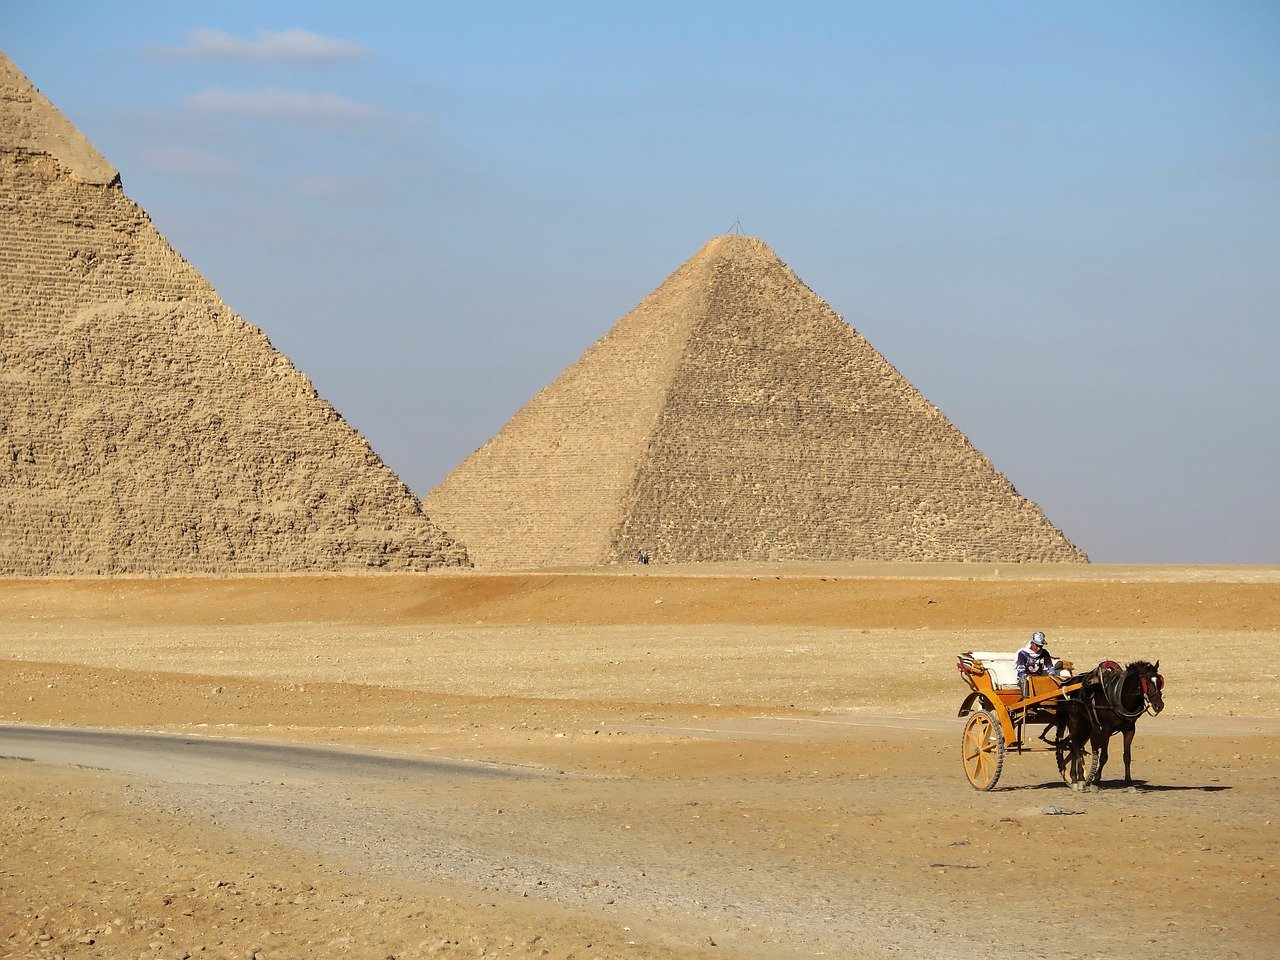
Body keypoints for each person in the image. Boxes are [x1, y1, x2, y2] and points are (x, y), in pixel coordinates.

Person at [1016, 630, 1055, 697]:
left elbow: (1050, 667)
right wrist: (1028, 678)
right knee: (1023, 681)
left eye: (1041, 646)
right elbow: (1020, 671)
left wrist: (1052, 674)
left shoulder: (1044, 653)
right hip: (1026, 679)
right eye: (1037, 645)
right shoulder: (1023, 653)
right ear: (1032, 643)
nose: (1039, 648)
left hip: (1039, 679)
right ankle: (1026, 701)